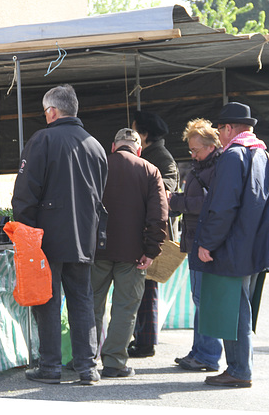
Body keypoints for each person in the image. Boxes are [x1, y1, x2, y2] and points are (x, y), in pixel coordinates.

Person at [12, 84, 108, 385]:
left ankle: (50, 366)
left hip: (47, 236)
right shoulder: (96, 145)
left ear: (52, 111)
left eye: (45, 111)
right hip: (84, 234)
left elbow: (26, 192)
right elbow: (100, 195)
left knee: (47, 301)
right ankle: (87, 368)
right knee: (82, 300)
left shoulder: (43, 139)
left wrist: (25, 232)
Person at [190, 102, 269, 388]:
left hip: (231, 247)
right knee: (241, 307)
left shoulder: (234, 157)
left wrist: (207, 243)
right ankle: (240, 367)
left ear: (229, 128)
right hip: (255, 248)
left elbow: (223, 206)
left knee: (233, 309)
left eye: (220, 128)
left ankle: (240, 370)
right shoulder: (265, 155)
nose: (219, 134)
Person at [92, 128, 167, 378]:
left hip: (96, 251)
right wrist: (152, 249)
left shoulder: (98, 166)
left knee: (90, 305)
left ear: (113, 147)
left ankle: (84, 358)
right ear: (138, 149)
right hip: (133, 253)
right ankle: (114, 362)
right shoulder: (150, 170)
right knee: (125, 308)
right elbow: (159, 216)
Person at [168, 118, 223, 372]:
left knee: (205, 300)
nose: (193, 154)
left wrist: (178, 203)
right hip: (195, 241)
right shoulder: (201, 167)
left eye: (196, 149)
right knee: (199, 298)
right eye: (190, 149)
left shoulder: (218, 168)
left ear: (211, 145)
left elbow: (208, 205)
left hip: (205, 244)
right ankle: (199, 351)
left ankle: (208, 355)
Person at [128, 110, 179, 358]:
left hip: (152, 233)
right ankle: (141, 338)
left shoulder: (161, 157)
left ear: (144, 134)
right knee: (141, 287)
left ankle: (146, 342)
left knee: (148, 288)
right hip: (144, 230)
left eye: (135, 129)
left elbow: (167, 189)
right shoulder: (150, 154)